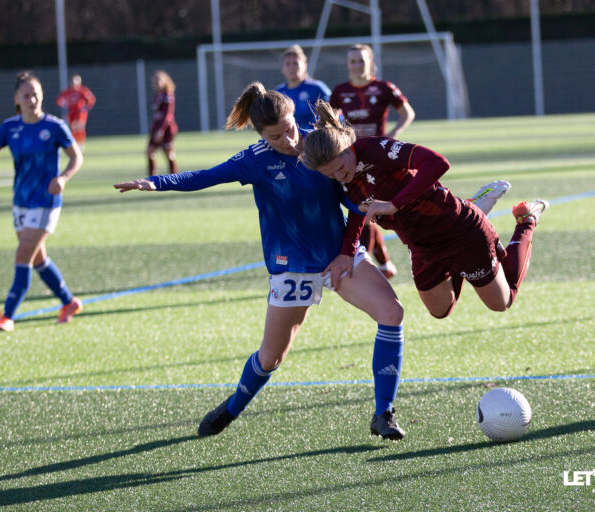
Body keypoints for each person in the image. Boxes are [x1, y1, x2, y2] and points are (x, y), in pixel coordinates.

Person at [114, 82, 407, 441]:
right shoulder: (255, 160)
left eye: (290, 128)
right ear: (261, 135)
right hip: (292, 267)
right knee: (270, 359)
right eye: (276, 136)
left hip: (337, 259)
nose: (289, 140)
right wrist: (155, 182)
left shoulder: (319, 144)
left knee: (392, 313)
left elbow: (356, 200)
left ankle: (384, 414)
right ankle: (233, 407)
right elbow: (205, 177)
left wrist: (356, 239)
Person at [302, 100, 549, 319]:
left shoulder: (376, 150)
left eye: (340, 167)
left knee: (501, 303)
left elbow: (437, 162)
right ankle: (475, 215)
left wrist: (393, 205)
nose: (338, 176)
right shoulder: (339, 176)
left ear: (347, 146)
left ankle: (526, 220)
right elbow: (358, 209)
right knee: (440, 311)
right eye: (330, 174)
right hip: (422, 246)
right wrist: (346, 251)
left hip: (459, 232)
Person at [0, 71, 84, 332]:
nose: (32, 99)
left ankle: (7, 316)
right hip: (21, 201)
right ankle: (69, 302)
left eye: (36, 94)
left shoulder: (54, 126)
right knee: (36, 259)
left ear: (42, 96)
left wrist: (64, 178)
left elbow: (76, 157)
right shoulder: (10, 127)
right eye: (26, 95)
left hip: (46, 200)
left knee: (23, 253)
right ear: (17, 99)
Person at [331, 43, 420, 279]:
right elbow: (328, 120)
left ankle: (370, 262)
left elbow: (407, 112)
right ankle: (379, 263)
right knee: (365, 208)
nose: (357, 65)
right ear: (347, 65)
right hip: (350, 160)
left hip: (379, 158)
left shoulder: (383, 88)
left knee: (371, 208)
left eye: (361, 60)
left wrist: (393, 135)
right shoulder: (340, 91)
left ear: (370, 62)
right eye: (353, 61)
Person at [275, 45, 332, 131]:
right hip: (288, 141)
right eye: (288, 64)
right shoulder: (278, 92)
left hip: (314, 138)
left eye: (295, 63)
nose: (292, 67)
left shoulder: (317, 88)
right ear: (282, 68)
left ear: (305, 65)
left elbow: (335, 109)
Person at [147, 70, 179, 176]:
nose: (156, 84)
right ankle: (152, 177)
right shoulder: (157, 95)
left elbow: (167, 115)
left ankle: (174, 176)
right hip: (156, 128)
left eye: (158, 81)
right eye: (154, 82)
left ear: (165, 81)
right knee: (150, 151)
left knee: (169, 153)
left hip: (166, 129)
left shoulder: (168, 95)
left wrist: (160, 130)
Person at [56, 74, 96, 149]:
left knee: (79, 127)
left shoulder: (83, 90)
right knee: (72, 128)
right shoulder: (68, 91)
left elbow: (91, 99)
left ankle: (80, 143)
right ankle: (75, 143)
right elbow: (59, 99)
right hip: (71, 112)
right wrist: (63, 104)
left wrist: (85, 107)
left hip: (80, 113)